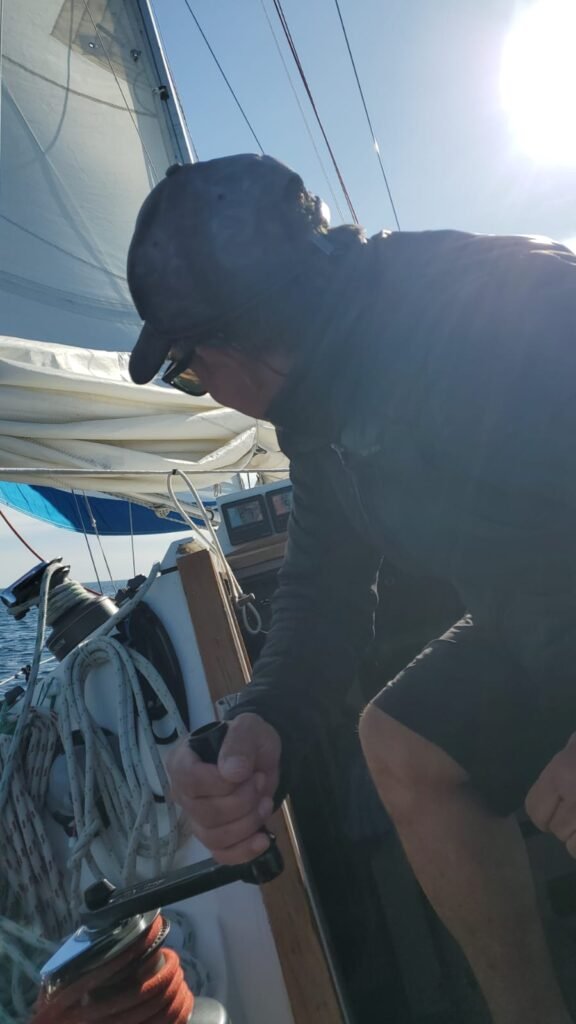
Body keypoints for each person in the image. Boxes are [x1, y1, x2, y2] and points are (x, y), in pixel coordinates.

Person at [127, 154, 576, 1024]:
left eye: (185, 367)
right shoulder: (321, 404)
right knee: (401, 740)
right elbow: (322, 587)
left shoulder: (499, 310)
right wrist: (266, 718)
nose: (204, 389)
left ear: (230, 344)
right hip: (537, 621)